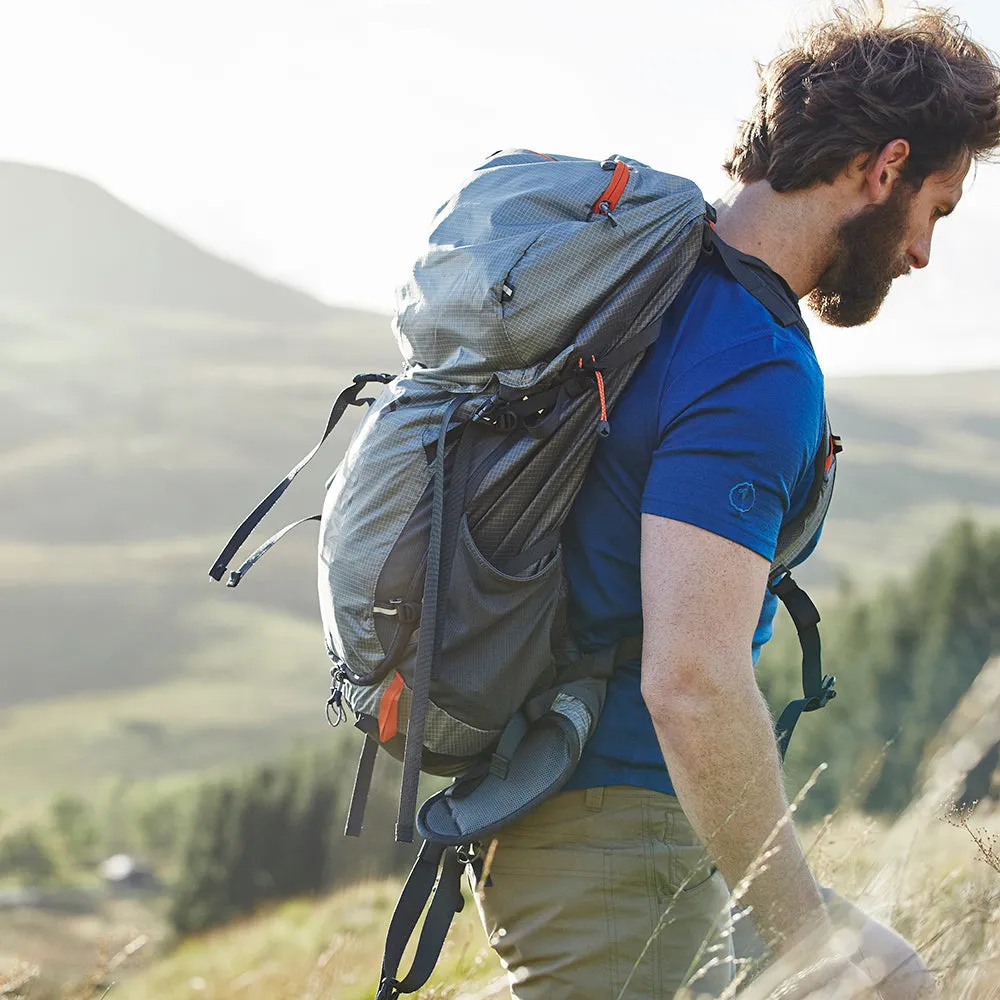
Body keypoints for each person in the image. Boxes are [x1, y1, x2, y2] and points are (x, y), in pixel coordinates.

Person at [474, 6, 1000, 998]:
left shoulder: (655, 294)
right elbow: (691, 680)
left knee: (895, 983)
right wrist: (800, 928)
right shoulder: (751, 363)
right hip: (622, 835)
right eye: (938, 208)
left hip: (585, 815)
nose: (923, 252)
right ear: (883, 169)